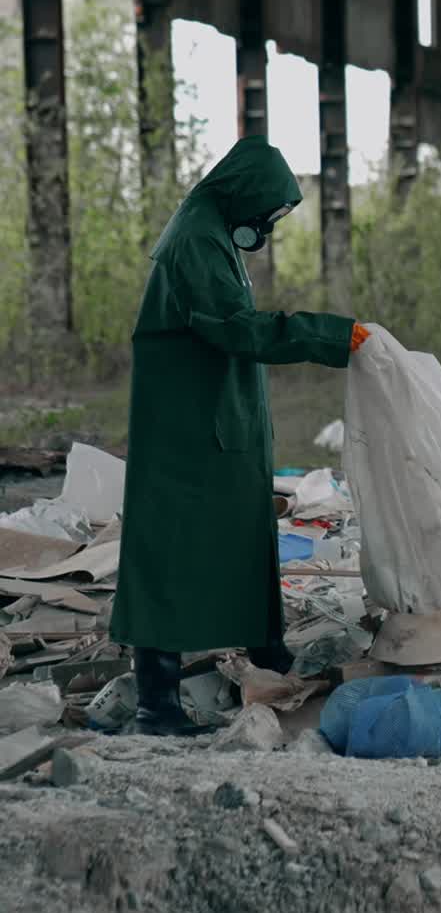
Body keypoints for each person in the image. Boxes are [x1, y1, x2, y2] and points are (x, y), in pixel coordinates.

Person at [110, 136, 370, 736]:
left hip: (212, 426)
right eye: (268, 213)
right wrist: (330, 336)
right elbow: (237, 329)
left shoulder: (210, 227)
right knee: (170, 554)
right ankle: (157, 704)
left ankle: (266, 660)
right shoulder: (197, 238)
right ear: (244, 193)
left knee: (238, 539)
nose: (266, 226)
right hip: (187, 434)